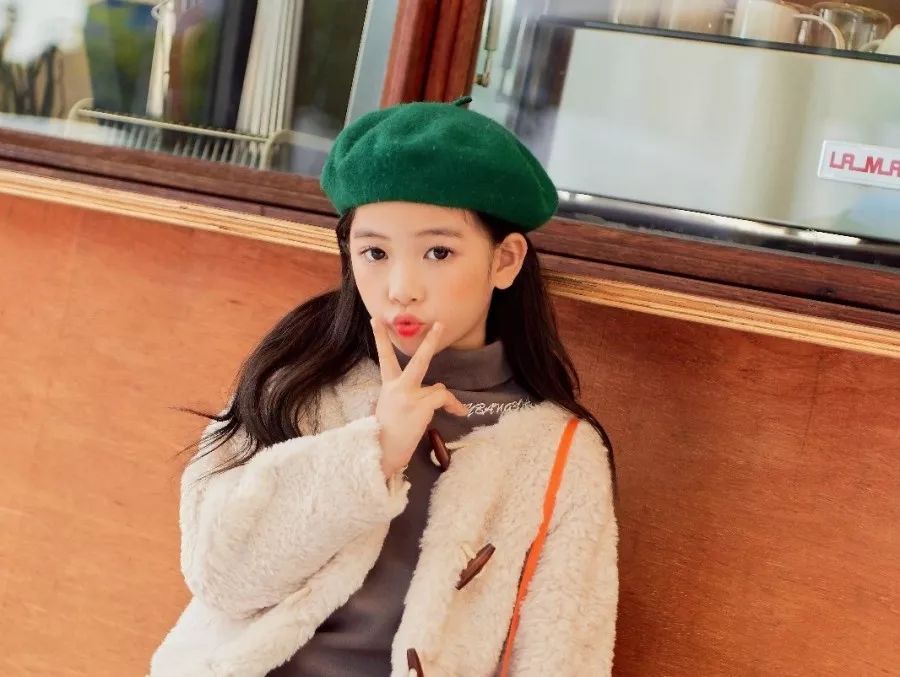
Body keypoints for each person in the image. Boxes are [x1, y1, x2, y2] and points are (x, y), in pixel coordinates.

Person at [149, 96, 618, 677]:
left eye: (438, 252)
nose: (401, 287)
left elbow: (564, 656)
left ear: (505, 260)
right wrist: (374, 453)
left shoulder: (559, 452)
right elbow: (220, 576)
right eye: (374, 252)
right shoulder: (301, 378)